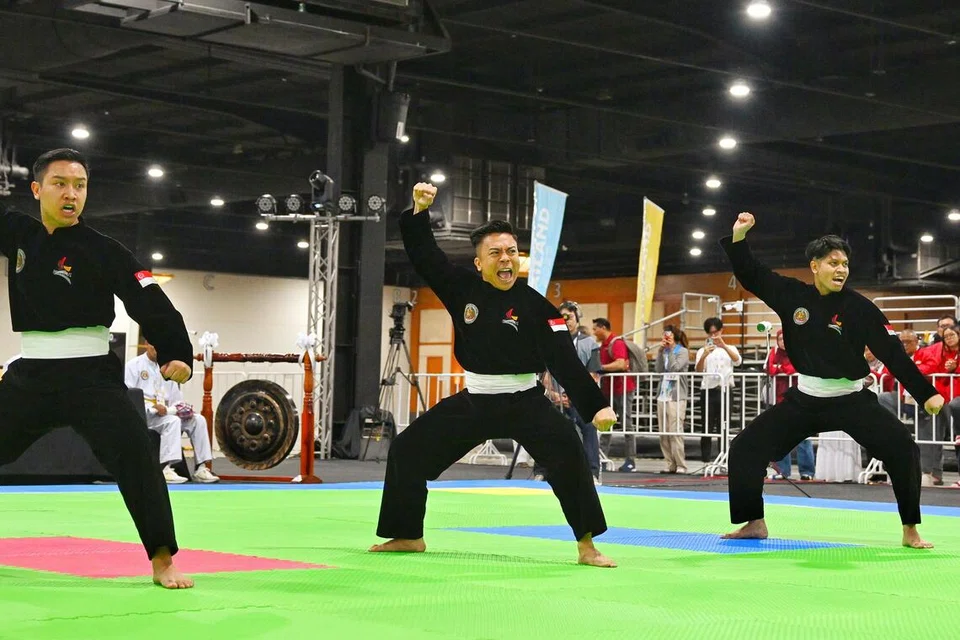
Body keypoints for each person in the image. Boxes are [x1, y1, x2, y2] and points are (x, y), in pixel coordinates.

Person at [370, 183, 618, 567]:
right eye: (496, 253)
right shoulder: (460, 289)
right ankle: (408, 535)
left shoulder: (537, 306)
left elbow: (564, 360)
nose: (506, 259)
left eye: (512, 252)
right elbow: (426, 256)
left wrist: (596, 406)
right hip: (475, 399)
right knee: (407, 450)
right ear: (479, 262)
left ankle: (587, 546)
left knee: (568, 453)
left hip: (525, 401)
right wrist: (419, 212)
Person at [0, 148, 195, 587]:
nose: (72, 194)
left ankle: (163, 559)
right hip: (31, 374)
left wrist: (175, 351)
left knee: (137, 461)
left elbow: (149, 300)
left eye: (80, 185)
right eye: (61, 184)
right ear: (37, 189)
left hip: (91, 376)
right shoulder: (17, 234)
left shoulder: (104, 250)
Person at [719, 212, 944, 549]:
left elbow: (893, 353)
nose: (841, 269)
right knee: (745, 448)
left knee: (903, 448)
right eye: (833, 262)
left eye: (845, 264)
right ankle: (754, 523)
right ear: (814, 266)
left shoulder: (860, 308)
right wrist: (739, 237)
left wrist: (926, 393)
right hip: (805, 398)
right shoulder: (791, 296)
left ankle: (910, 529)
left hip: (851, 399)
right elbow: (751, 274)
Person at [125, 340, 220, 484]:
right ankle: (166, 468)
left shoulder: (168, 367)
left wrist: (180, 409)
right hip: (145, 415)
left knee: (198, 419)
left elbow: (176, 398)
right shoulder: (134, 366)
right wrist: (152, 409)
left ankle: (201, 468)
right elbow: (129, 396)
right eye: (153, 345)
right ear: (146, 344)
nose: (156, 349)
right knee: (172, 421)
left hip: (166, 412)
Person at [540, 301, 603, 484]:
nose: (566, 321)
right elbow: (544, 376)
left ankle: (592, 472)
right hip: (556, 398)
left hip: (581, 398)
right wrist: (555, 395)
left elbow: (593, 375)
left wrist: (576, 395)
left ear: (577, 318)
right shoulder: (549, 342)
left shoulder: (588, 343)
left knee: (589, 428)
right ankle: (543, 470)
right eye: (562, 317)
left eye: (570, 317)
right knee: (545, 429)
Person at [765, 330, 815, 480]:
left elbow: (794, 369)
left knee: (803, 436)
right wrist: (780, 368)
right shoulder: (773, 352)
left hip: (800, 400)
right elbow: (769, 369)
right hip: (780, 399)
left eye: (785, 339)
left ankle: (807, 472)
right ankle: (782, 471)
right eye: (780, 339)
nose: (783, 342)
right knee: (781, 437)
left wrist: (780, 367)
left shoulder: (799, 352)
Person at [694, 317, 741, 462]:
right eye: (710, 333)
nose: (713, 336)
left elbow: (738, 361)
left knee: (724, 425)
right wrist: (704, 355)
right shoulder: (702, 350)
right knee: (706, 426)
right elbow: (698, 370)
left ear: (721, 331)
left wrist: (724, 346)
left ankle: (725, 458)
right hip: (708, 390)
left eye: (716, 332)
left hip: (726, 389)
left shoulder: (730, 348)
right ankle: (706, 459)